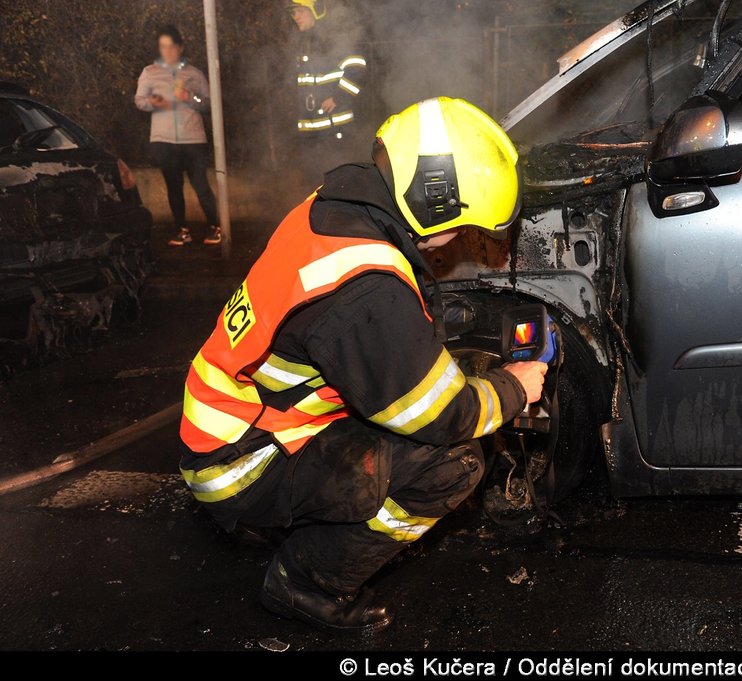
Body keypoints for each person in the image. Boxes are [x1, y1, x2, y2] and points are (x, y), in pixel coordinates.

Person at [178, 97, 544, 633]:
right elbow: (443, 414)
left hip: (234, 421)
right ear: (436, 202)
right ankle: (307, 579)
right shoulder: (365, 290)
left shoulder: (334, 206)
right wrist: (512, 387)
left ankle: (298, 522)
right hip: (240, 461)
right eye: (464, 227)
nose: (464, 242)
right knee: (454, 463)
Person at [135, 25, 221, 247]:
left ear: (180, 48)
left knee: (200, 184)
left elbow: (210, 103)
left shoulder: (194, 74)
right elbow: (139, 101)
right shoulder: (150, 72)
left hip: (193, 138)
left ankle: (216, 226)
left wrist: (190, 98)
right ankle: (182, 230)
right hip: (163, 140)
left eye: (172, 47)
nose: (168, 52)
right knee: (173, 186)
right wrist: (153, 102)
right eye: (163, 47)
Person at [287, 1, 367, 162]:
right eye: (293, 13)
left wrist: (339, 97)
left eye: (301, 11)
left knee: (339, 180)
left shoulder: (331, 39)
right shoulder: (303, 43)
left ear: (316, 11)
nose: (296, 17)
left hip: (335, 130)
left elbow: (357, 65)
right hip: (311, 132)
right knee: (315, 182)